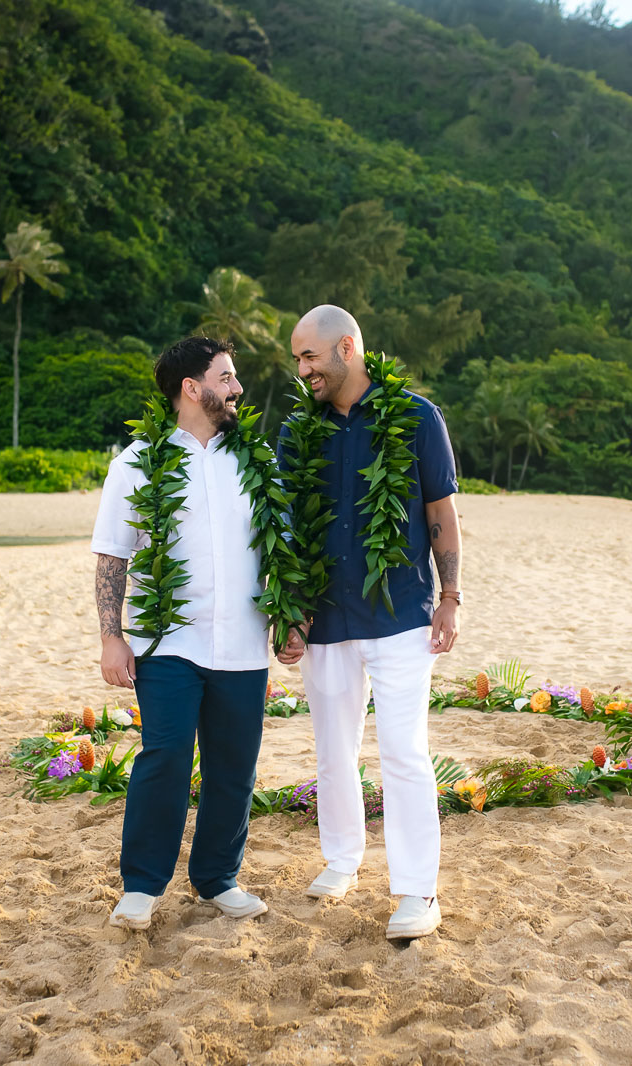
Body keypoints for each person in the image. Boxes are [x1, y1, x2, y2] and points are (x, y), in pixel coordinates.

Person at [277, 304, 462, 941]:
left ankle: (417, 892)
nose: (301, 370)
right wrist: (289, 613)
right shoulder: (297, 433)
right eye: (297, 358)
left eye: (309, 356)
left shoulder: (416, 417)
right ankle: (343, 859)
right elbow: (289, 532)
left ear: (347, 348)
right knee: (333, 751)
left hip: (401, 614)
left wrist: (451, 596)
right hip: (326, 618)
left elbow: (439, 510)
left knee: (404, 753)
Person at [90, 336, 272, 931]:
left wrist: (290, 616)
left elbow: (280, 550)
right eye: (226, 377)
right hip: (169, 642)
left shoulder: (254, 460)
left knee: (234, 766)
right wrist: (111, 636)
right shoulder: (137, 462)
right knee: (164, 759)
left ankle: (218, 878)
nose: (237, 388)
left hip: (243, 643)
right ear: (192, 388)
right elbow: (113, 557)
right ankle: (141, 886)